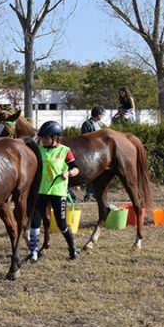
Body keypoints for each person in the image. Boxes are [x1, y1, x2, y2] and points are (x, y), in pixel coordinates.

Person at [28, 121, 81, 262]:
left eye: (46, 138)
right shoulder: (38, 150)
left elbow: (76, 169)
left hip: (58, 192)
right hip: (41, 192)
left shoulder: (64, 150)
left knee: (61, 224)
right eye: (42, 138)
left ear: (55, 137)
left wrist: (68, 174)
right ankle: (33, 253)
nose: (43, 140)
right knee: (34, 222)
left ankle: (73, 249)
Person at [80, 105, 106, 201]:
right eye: (102, 114)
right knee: (92, 173)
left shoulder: (98, 125)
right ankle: (89, 193)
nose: (103, 116)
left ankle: (95, 193)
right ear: (98, 114)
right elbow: (84, 137)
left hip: (99, 153)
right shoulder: (87, 124)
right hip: (90, 153)